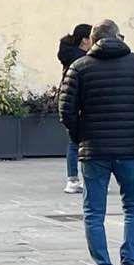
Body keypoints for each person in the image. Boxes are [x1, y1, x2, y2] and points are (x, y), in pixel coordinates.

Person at [59, 19, 134, 265]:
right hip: (129, 148)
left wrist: (80, 135)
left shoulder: (80, 67)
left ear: (92, 40)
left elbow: (65, 109)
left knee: (94, 211)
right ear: (118, 37)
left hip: (94, 150)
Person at [57, 24, 92, 194]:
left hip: (70, 102)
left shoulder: (69, 55)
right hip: (83, 103)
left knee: (73, 141)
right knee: (86, 142)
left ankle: (72, 179)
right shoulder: (83, 59)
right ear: (85, 40)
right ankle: (86, 179)